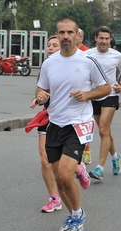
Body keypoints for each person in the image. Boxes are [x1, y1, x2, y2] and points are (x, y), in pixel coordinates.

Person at [36, 17, 111, 231]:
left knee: (65, 174)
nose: (66, 36)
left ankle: (78, 215)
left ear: (77, 35)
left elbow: (106, 87)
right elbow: (41, 90)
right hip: (54, 124)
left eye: (70, 32)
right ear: (57, 35)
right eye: (62, 33)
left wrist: (87, 95)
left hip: (78, 124)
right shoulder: (49, 63)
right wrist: (40, 96)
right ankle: (72, 215)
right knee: (59, 178)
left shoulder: (87, 61)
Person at [27, 35, 90, 213]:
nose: (51, 48)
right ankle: (54, 197)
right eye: (49, 45)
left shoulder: (77, 64)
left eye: (54, 45)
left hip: (71, 119)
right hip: (48, 117)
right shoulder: (47, 67)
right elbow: (40, 90)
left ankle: (78, 169)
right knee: (44, 158)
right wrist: (38, 98)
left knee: (64, 165)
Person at [85, 26, 121, 180]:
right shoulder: (87, 54)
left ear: (110, 40)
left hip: (110, 95)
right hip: (94, 95)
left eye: (107, 38)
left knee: (103, 130)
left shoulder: (116, 55)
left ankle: (99, 168)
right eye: (101, 38)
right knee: (106, 131)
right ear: (96, 38)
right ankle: (116, 156)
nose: (104, 41)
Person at [77, 28, 91, 164]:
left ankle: (87, 151)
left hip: (84, 94)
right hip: (69, 94)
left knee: (84, 125)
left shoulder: (86, 52)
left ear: (80, 38)